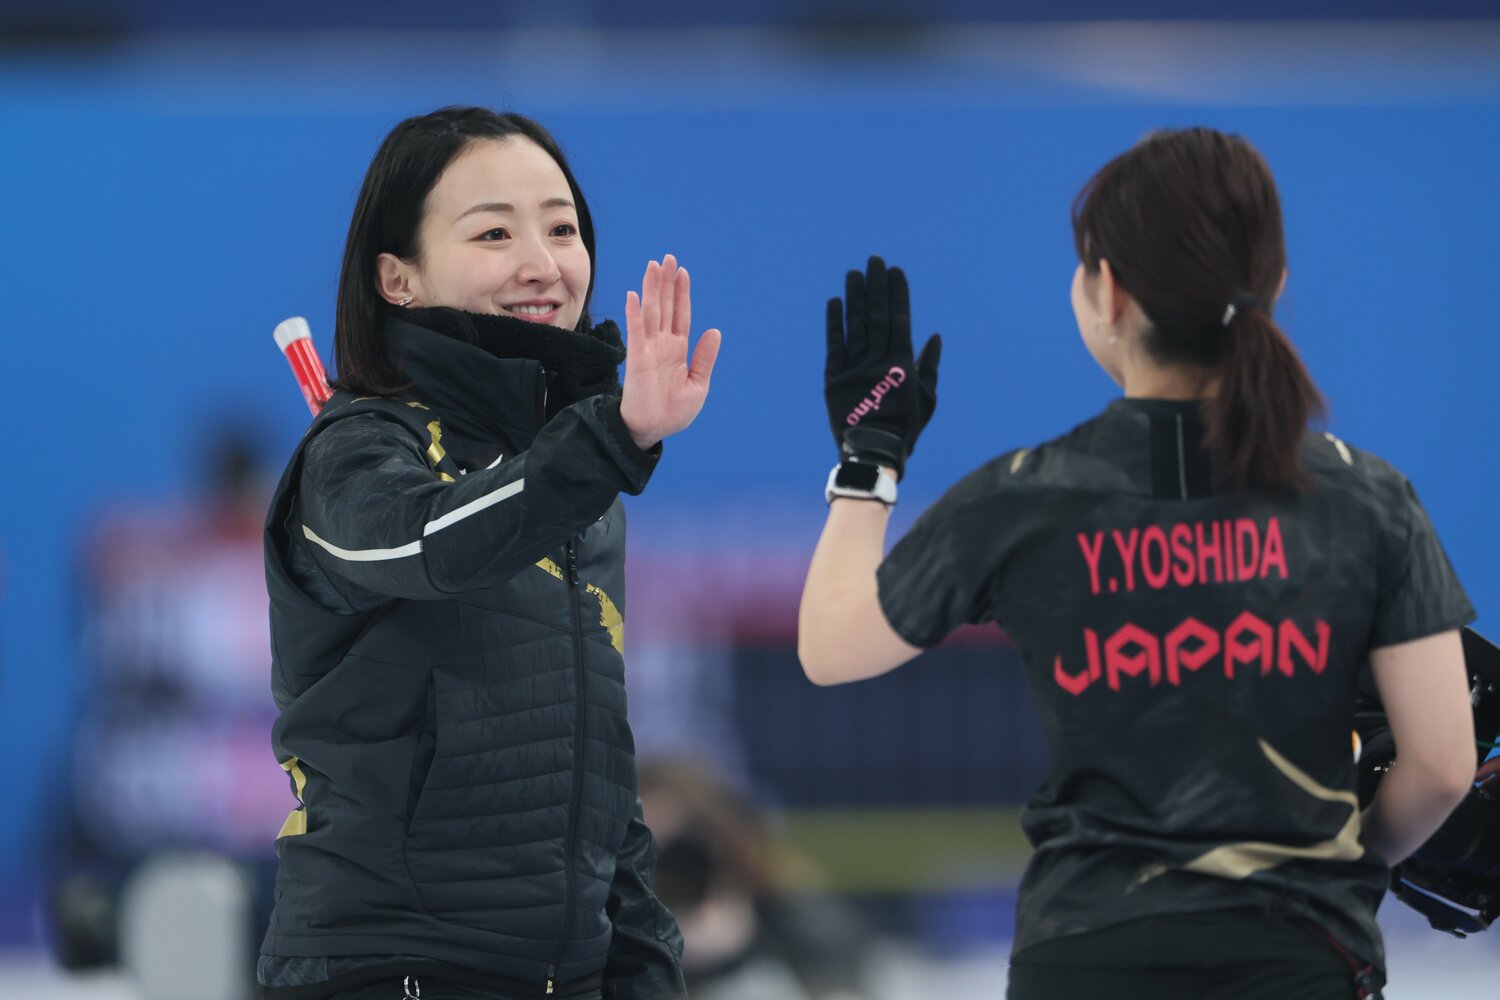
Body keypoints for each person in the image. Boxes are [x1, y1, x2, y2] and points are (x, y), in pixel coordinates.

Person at [797, 127, 1478, 999]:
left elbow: (829, 646)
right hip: (1301, 957)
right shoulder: (1368, 497)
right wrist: (1343, 865)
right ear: (1274, 286)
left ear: (1106, 291)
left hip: (1084, 958)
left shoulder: (1025, 493)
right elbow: (1446, 766)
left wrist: (870, 457)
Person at [258, 107, 720, 1000]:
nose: (542, 264)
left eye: (561, 227)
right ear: (397, 276)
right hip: (390, 968)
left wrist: (642, 966)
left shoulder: (577, 482)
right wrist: (608, 443)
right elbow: (438, 544)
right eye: (495, 231)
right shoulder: (353, 455)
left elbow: (598, 779)